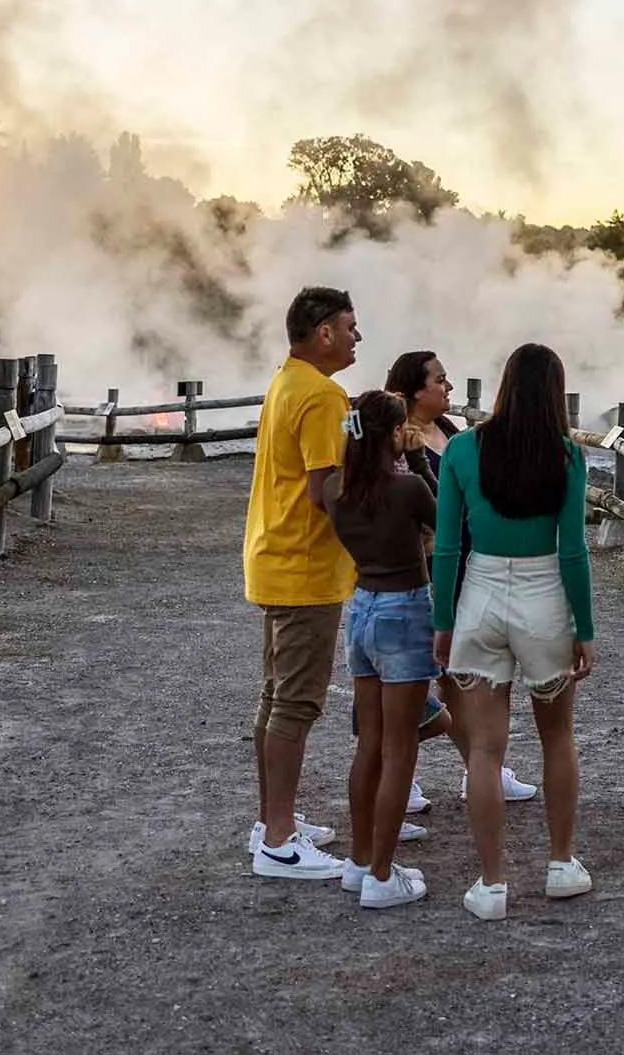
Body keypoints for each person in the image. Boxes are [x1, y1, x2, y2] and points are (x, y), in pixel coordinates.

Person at [431, 342, 596, 921]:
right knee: (557, 737)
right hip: (544, 595)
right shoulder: (567, 457)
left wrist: (443, 622)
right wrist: (586, 627)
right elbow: (572, 551)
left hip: (479, 596)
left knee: (483, 748)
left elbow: (448, 547)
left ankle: (492, 883)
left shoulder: (459, 449)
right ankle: (560, 865)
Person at [385, 350, 540, 813]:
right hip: (423, 568)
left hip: (470, 565)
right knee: (411, 677)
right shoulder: (397, 445)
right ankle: (401, 777)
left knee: (458, 673)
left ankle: (480, 769)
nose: (448, 387)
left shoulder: (451, 432)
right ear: (415, 389)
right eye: (440, 379)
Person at [244, 286, 360, 880]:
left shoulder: (286, 380)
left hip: (275, 556)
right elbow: (326, 490)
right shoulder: (321, 394)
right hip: (307, 566)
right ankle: (280, 843)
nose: (356, 337)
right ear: (323, 333)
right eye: (349, 326)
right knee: (297, 703)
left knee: (275, 698)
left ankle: (273, 821)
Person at [325, 389, 437, 908]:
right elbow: (448, 518)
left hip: (361, 610)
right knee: (400, 750)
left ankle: (360, 860)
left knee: (369, 745)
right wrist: (415, 454)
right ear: (393, 433)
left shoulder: (334, 489)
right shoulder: (409, 488)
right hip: (405, 611)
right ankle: (384, 876)